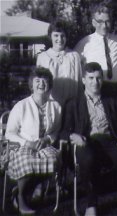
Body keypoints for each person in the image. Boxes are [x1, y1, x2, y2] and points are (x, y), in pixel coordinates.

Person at [60, 62, 117, 216]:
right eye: (91, 78)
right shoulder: (73, 103)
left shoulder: (111, 100)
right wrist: (74, 136)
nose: (95, 82)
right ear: (83, 80)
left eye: (99, 78)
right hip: (87, 141)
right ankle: (91, 204)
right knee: (87, 158)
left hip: (109, 139)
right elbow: (63, 132)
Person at [5, 67, 62, 215]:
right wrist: (26, 143)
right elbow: (9, 133)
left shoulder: (56, 107)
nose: (41, 84)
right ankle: (21, 198)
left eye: (44, 80)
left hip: (44, 145)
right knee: (26, 161)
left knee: (53, 160)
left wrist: (47, 139)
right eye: (37, 81)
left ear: (49, 84)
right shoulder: (21, 105)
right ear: (32, 84)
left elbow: (56, 131)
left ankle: (23, 189)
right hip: (22, 145)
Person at [75, 3, 117, 97]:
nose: (104, 25)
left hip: (114, 89)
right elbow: (73, 63)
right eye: (100, 22)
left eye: (107, 21)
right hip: (93, 89)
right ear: (93, 23)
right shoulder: (84, 43)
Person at [37, 20, 82, 106]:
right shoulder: (43, 57)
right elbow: (38, 85)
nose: (59, 39)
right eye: (56, 35)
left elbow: (79, 85)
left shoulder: (74, 56)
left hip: (71, 106)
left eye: (63, 36)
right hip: (50, 105)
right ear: (50, 36)